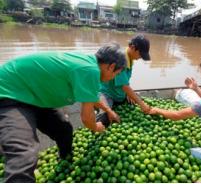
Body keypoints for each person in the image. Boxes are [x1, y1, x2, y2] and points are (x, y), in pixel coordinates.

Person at [0, 43, 126, 182]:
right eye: (117, 73)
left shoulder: (88, 64)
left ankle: (65, 162)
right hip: (10, 93)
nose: (114, 78)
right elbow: (86, 118)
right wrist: (96, 127)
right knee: (23, 156)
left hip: (36, 96)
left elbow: (91, 96)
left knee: (64, 129)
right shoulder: (90, 70)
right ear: (111, 66)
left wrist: (108, 110)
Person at [95, 34, 152, 127]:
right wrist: (141, 104)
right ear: (132, 47)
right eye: (140, 54)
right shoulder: (121, 59)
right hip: (107, 93)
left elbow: (125, 82)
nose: (140, 57)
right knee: (104, 116)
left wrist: (129, 94)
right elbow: (124, 86)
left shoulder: (130, 59)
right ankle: (96, 129)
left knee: (135, 102)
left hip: (119, 94)